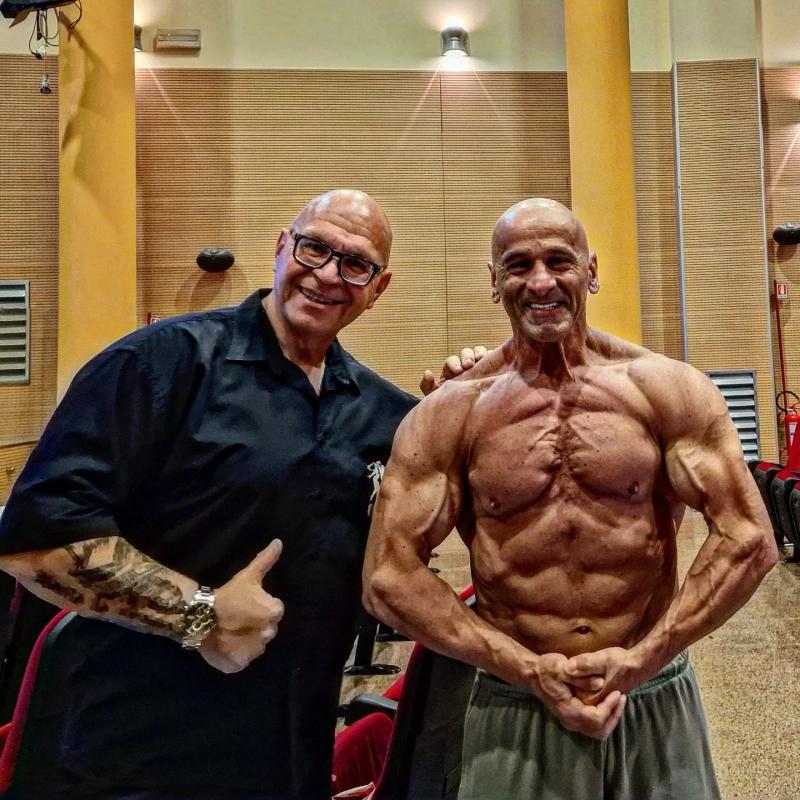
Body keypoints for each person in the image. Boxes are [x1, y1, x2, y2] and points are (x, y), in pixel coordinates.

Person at [0, 189, 481, 800]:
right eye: (314, 248)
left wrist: (471, 412)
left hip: (290, 763)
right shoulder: (160, 363)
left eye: (356, 263)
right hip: (129, 760)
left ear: (378, 287)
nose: (328, 274)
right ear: (282, 246)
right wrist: (199, 615)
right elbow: (35, 541)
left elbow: (432, 548)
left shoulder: (385, 416)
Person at [363, 198, 778, 800]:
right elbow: (387, 577)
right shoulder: (452, 412)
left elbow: (749, 538)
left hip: (652, 689)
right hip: (514, 699)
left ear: (591, 271)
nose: (540, 282)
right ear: (494, 282)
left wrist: (644, 657)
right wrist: (526, 669)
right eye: (518, 265)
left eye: (559, 261)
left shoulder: (666, 389)